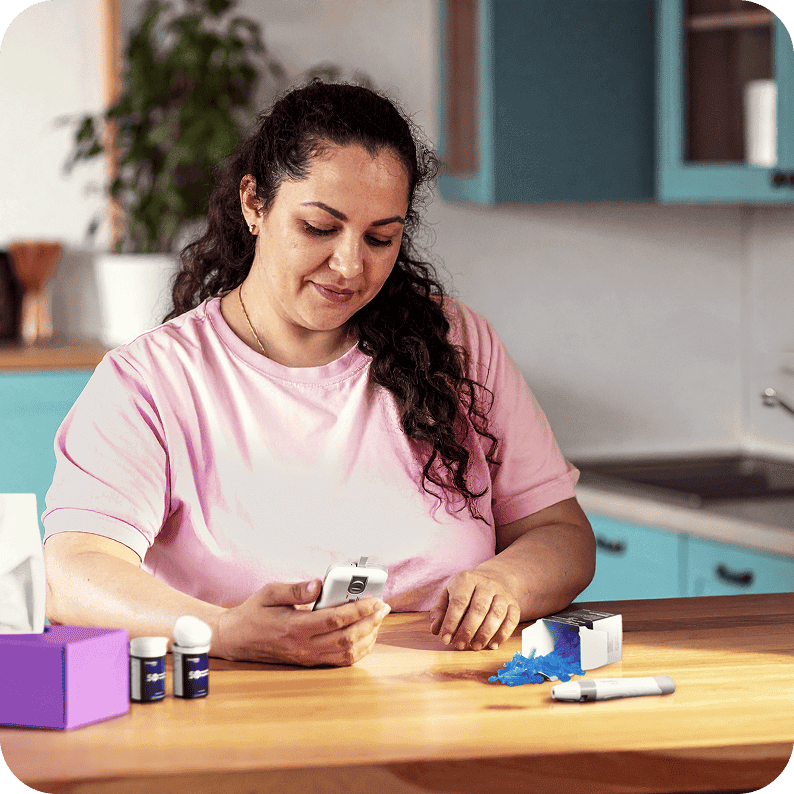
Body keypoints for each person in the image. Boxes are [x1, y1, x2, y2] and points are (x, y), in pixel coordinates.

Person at [43, 81, 595, 667]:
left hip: (453, 715)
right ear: (255, 203)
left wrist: (507, 582)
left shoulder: (457, 346)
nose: (350, 266)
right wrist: (223, 630)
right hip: (238, 720)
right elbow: (73, 571)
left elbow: (562, 533)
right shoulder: (150, 381)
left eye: (381, 237)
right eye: (319, 228)